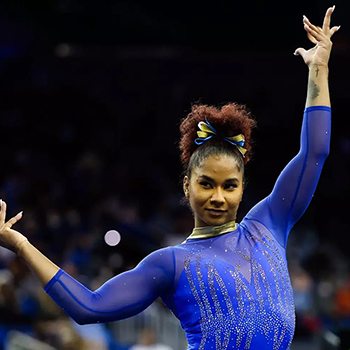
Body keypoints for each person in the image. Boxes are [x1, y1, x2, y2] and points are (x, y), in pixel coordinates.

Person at [0, 6, 340, 350]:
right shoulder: (170, 264)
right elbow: (89, 307)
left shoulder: (269, 224)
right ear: (186, 185)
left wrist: (318, 70)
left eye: (229, 186)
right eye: (206, 183)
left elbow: (314, 152)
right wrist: (21, 245)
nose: (218, 197)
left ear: (242, 189)